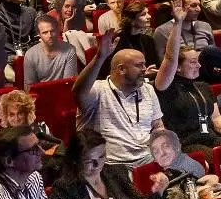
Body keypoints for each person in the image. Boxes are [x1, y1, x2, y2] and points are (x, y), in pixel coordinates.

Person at [73, 36, 177, 166]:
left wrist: (164, 148)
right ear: (121, 69)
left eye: (144, 64)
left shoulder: (148, 90)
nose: (145, 69)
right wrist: (99, 58)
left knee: (193, 168)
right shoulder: (98, 90)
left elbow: (157, 125)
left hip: (148, 158)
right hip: (111, 164)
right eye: (139, 65)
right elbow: (78, 91)